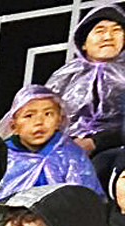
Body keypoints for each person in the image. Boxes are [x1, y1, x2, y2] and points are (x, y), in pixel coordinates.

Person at [46, 4, 125, 187]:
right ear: (83, 43)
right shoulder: (65, 76)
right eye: (100, 30)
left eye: (117, 30)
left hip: (113, 152)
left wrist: (94, 142)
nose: (108, 36)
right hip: (63, 149)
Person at [0, 85, 103, 203]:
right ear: (13, 126)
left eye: (48, 114)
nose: (39, 122)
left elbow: (86, 197)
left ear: (59, 121)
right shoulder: (2, 156)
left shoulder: (71, 155)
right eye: (29, 115)